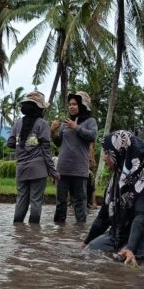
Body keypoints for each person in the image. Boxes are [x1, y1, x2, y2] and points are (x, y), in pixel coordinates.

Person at [82, 130, 144, 264]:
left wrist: (130, 248)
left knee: (122, 260)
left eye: (107, 153)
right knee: (89, 252)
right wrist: (86, 242)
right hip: (123, 234)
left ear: (120, 152)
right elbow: (103, 218)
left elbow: (142, 217)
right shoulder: (118, 178)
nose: (104, 158)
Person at [7, 91, 58, 223]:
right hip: (38, 170)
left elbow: (10, 143)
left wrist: (23, 143)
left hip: (21, 169)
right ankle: (34, 234)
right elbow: (47, 151)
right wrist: (53, 172)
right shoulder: (42, 124)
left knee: (21, 200)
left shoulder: (18, 123)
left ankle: (18, 231)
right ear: (39, 108)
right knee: (36, 201)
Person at [51, 91, 98, 223]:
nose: (71, 106)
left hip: (79, 170)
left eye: (74, 104)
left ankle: (80, 232)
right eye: (70, 104)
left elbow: (92, 136)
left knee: (80, 203)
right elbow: (58, 142)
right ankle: (59, 233)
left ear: (81, 105)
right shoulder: (66, 123)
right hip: (63, 169)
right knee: (61, 203)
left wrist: (76, 127)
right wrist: (53, 131)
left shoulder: (90, 121)